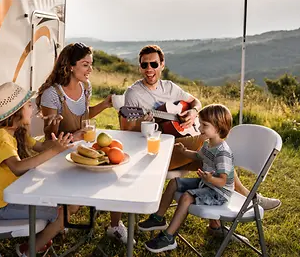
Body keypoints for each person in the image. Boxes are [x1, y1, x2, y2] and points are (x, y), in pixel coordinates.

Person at [120, 45, 281, 235]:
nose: (149, 69)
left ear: (162, 65)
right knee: (209, 145)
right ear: (139, 67)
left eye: (153, 64)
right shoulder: (134, 94)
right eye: (144, 65)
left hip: (180, 147)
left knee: (214, 159)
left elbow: (195, 102)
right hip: (154, 152)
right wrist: (141, 122)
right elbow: (126, 130)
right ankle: (251, 198)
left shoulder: (170, 87)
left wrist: (193, 111)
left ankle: (217, 223)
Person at [35, 42, 131, 244]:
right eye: (85, 64)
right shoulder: (52, 94)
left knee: (115, 174)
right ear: (70, 66)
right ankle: (57, 221)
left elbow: (85, 114)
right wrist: (63, 129)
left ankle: (113, 224)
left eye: (91, 64)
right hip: (58, 156)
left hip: (82, 150)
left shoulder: (86, 87)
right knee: (83, 195)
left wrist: (104, 105)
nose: (90, 70)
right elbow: (50, 136)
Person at [0, 82, 78, 257]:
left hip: (17, 194)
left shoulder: (16, 132)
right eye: (28, 105)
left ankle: (49, 231)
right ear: (16, 111)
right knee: (66, 211)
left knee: (67, 200)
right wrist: (55, 150)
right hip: (3, 204)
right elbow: (17, 167)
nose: (32, 108)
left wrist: (66, 140)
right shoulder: (1, 137)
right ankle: (29, 249)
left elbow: (41, 146)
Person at [138, 104, 236, 253]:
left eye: (204, 125)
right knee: (174, 182)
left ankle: (169, 237)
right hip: (207, 183)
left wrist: (210, 179)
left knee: (186, 197)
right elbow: (198, 156)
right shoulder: (209, 144)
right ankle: (158, 218)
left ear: (218, 127)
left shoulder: (223, 153)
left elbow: (223, 181)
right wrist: (184, 152)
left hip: (218, 192)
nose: (200, 128)